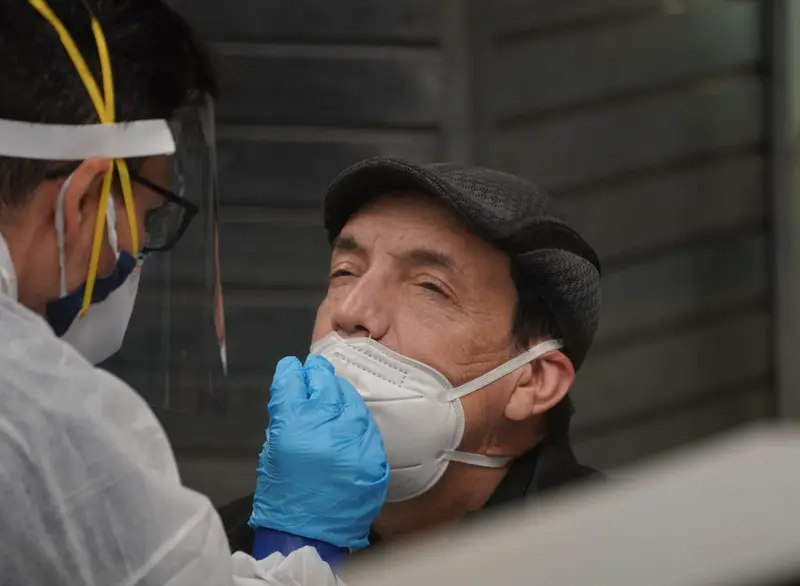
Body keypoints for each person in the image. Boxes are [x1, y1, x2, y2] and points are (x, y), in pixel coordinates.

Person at [0, 1, 388, 583]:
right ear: (83, 201)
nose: (355, 314)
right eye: (148, 217)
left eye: (432, 287)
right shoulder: (36, 413)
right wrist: (301, 546)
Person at [221, 157, 604, 551]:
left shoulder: (629, 555)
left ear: (534, 381)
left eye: (429, 287)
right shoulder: (218, 551)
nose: (351, 312)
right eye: (346, 272)